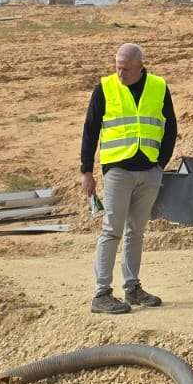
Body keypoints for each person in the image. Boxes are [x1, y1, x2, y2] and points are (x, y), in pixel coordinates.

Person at [80, 43, 177, 315]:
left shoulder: (158, 87)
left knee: (136, 230)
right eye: (117, 67)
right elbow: (90, 130)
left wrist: (160, 164)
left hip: (149, 170)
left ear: (140, 67)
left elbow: (170, 127)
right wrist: (86, 171)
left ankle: (132, 287)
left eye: (125, 69)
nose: (120, 74)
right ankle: (101, 293)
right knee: (112, 230)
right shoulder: (105, 88)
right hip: (118, 171)